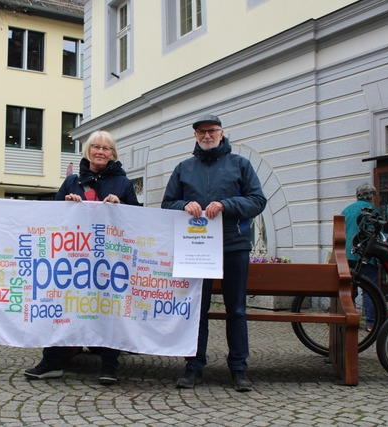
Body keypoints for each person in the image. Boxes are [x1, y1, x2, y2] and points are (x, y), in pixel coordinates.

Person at [23, 130, 139, 385]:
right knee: (62, 306)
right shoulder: (71, 182)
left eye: (106, 148)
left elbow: (137, 221)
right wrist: (66, 203)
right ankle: (52, 362)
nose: (100, 151)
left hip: (109, 259)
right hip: (74, 260)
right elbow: (52, 219)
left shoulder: (123, 184)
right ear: (87, 151)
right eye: (95, 147)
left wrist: (121, 206)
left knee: (110, 308)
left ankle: (110, 365)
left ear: (112, 154)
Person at [161, 114, 266, 392]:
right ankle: (193, 366)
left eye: (212, 131)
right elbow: (167, 203)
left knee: (237, 309)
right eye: (201, 132)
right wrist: (184, 205)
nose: (206, 136)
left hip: (233, 244)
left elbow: (257, 200)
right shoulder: (184, 167)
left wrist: (226, 204)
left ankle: (239, 368)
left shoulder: (240, 164)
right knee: (197, 310)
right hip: (195, 248)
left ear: (222, 133)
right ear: (195, 136)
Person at [341, 183, 380, 332]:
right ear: (371, 196)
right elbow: (375, 234)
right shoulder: (373, 210)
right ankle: (371, 323)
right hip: (366, 256)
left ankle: (349, 319)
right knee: (369, 289)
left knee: (349, 288)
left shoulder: (346, 210)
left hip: (347, 255)